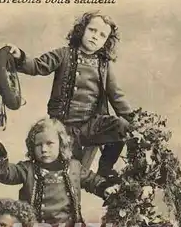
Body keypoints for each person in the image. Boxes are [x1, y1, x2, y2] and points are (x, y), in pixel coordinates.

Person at [7, 11, 134, 177]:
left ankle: (105, 168)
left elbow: (117, 96)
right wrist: (20, 57)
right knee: (71, 172)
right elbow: (38, 65)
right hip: (63, 127)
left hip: (91, 125)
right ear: (82, 30)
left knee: (123, 127)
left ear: (106, 42)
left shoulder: (104, 65)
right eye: (92, 30)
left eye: (102, 35)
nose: (96, 37)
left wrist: (134, 121)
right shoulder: (64, 54)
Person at [0, 117, 116, 227]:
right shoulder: (27, 169)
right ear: (31, 147)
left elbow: (92, 181)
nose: (44, 149)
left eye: (49, 143)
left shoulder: (74, 167)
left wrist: (105, 188)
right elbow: (7, 174)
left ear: (61, 144)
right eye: (38, 145)